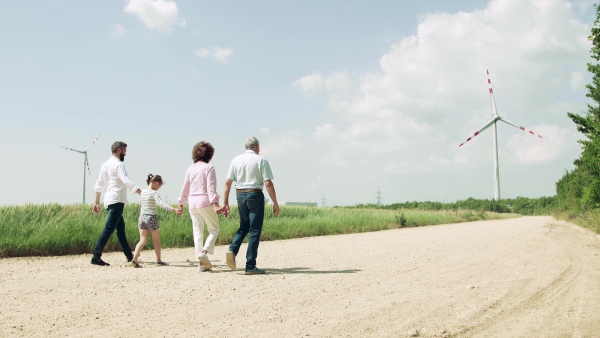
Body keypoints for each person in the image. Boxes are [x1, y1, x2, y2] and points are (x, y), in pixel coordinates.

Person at [222, 137, 280, 275]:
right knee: (254, 230)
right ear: (257, 147)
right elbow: (268, 183)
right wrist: (275, 203)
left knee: (243, 226)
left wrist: (225, 202)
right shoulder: (261, 160)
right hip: (255, 195)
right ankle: (250, 265)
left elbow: (227, 183)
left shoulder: (235, 160)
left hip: (239, 195)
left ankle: (232, 249)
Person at [91, 141, 141, 266]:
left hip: (109, 200)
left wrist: (96, 202)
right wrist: (140, 192)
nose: (125, 154)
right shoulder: (118, 165)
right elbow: (126, 180)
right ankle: (96, 256)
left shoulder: (104, 165)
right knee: (109, 229)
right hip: (117, 200)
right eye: (124, 151)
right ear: (119, 150)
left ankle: (129, 256)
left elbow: (99, 184)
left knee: (120, 229)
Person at [178, 141, 222, 272]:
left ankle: (200, 264)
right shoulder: (209, 168)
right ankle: (204, 252)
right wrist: (215, 203)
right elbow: (211, 188)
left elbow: (185, 188)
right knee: (214, 230)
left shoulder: (190, 168)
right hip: (205, 202)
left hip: (192, 204)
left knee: (198, 233)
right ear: (209, 154)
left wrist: (181, 204)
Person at [130, 174, 180, 268]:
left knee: (142, 240)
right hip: (151, 217)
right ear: (157, 183)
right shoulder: (154, 193)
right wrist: (174, 209)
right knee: (156, 240)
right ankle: (159, 260)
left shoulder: (143, 192)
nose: (158, 188)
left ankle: (134, 259)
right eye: (159, 186)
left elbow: (140, 203)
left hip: (142, 217)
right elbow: (161, 204)